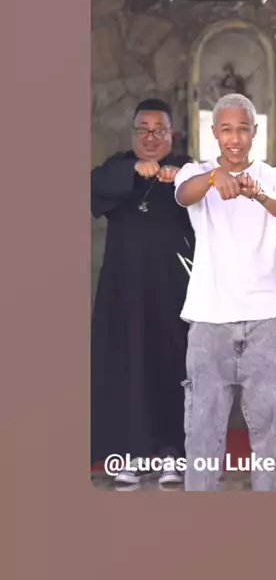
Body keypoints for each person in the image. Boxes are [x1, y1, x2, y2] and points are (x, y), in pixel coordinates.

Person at [174, 93, 276, 492]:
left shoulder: (274, 174)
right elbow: (183, 194)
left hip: (266, 324)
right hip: (208, 324)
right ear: (214, 133)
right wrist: (216, 178)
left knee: (269, 440)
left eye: (242, 129)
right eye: (226, 129)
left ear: (254, 131)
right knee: (202, 439)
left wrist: (258, 194)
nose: (235, 138)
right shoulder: (196, 172)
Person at [91, 99, 195, 486]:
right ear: (134, 134)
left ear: (172, 134)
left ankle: (172, 453)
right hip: (125, 293)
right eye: (143, 130)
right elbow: (94, 187)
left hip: (173, 291)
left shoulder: (186, 168)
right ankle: (130, 454)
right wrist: (134, 170)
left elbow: (209, 193)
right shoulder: (118, 167)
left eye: (159, 130)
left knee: (174, 367)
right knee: (127, 370)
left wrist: (180, 178)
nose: (151, 137)